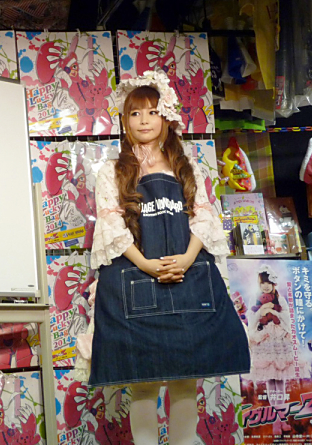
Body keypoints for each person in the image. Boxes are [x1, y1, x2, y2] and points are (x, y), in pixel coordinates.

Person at [88, 70, 250, 445]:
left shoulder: (186, 167)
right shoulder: (113, 171)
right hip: (136, 282)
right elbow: (111, 225)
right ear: (124, 121)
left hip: (187, 279)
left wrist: (188, 258)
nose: (143, 120)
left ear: (166, 118)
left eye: (152, 112)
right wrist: (146, 264)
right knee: (143, 384)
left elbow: (204, 217)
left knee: (184, 382)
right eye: (134, 113)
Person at [246, 264, 295, 436]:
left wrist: (274, 311)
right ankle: (277, 421)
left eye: (268, 282)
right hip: (264, 343)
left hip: (279, 344)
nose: (265, 286)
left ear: (273, 283)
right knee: (270, 383)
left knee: (280, 384)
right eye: (262, 283)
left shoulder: (280, 299)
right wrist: (261, 310)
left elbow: (288, 320)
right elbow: (251, 322)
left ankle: (280, 421)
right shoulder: (255, 299)